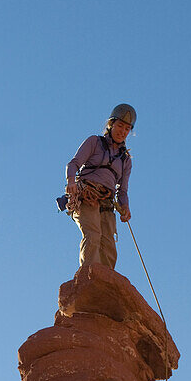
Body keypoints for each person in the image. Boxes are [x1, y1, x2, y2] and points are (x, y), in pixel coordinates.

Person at [65, 104, 136, 269]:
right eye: (120, 126)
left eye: (127, 129)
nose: (122, 131)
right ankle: (88, 278)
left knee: (108, 245)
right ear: (111, 124)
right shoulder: (94, 142)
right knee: (93, 235)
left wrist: (125, 207)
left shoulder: (126, 160)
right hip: (87, 195)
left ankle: (107, 283)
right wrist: (70, 181)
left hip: (107, 202)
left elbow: (123, 190)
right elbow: (74, 164)